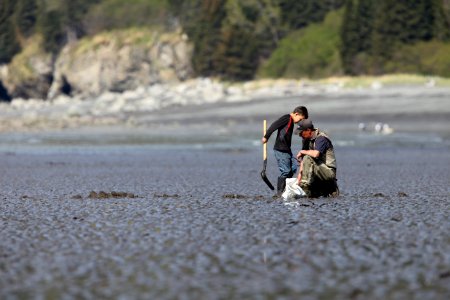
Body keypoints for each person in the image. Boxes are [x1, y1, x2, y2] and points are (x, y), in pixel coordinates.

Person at [261, 106, 308, 196]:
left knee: (293, 167)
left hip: (287, 150)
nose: (299, 121)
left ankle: (286, 188)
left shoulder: (291, 121)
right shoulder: (287, 118)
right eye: (300, 119)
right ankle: (280, 193)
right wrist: (266, 137)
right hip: (280, 149)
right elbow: (274, 125)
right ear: (296, 114)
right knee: (286, 171)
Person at [295, 119, 339, 198]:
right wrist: (298, 180)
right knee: (306, 157)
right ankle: (304, 185)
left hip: (329, 172)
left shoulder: (321, 138)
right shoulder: (306, 140)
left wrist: (303, 151)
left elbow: (316, 154)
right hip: (318, 171)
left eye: (301, 133)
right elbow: (303, 162)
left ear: (308, 130)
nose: (300, 135)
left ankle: (304, 188)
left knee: (308, 157)